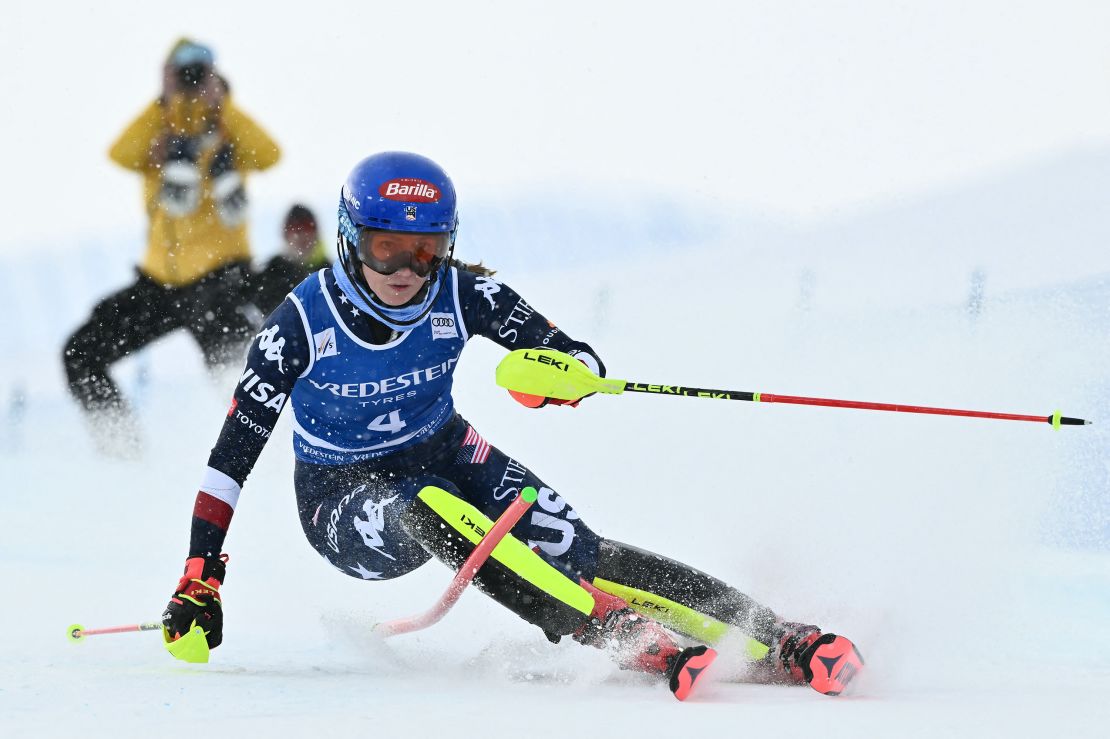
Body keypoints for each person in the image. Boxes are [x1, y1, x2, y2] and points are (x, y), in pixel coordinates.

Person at [160, 152, 864, 698]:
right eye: (385, 247)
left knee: (578, 548)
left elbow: (569, 350)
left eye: (426, 248)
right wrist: (201, 575)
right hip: (341, 492)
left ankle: (780, 636)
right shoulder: (301, 323)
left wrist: (564, 376)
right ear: (349, 240)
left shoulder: (463, 291)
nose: (407, 268)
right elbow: (232, 455)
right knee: (427, 509)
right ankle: (614, 630)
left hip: (443, 446)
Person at [62, 39, 280, 448]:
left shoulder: (229, 132)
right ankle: (121, 452)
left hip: (220, 279)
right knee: (81, 353)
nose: (192, 80)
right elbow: (118, 153)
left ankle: (267, 456)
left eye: (200, 72)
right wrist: (163, 102)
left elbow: (270, 154)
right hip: (161, 282)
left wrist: (222, 105)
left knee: (239, 371)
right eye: (184, 72)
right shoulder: (158, 135)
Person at [244, 204, 329, 317]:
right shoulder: (270, 273)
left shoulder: (330, 273)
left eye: (308, 227)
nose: (302, 235)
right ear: (285, 235)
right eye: (295, 228)